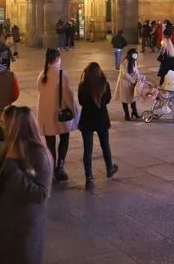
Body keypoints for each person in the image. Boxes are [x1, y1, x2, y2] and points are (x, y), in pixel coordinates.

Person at [0, 106, 53, 264]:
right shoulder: (5, 148)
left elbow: (41, 194)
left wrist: (12, 170)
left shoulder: (39, 156)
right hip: (3, 222)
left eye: (4, 123)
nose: (0, 127)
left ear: (15, 128)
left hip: (24, 227)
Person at [37, 48, 78, 182]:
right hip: (59, 115)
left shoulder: (42, 75)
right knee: (64, 138)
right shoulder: (61, 74)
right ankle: (60, 166)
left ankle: (52, 168)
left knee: (50, 143)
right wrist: (74, 112)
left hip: (45, 114)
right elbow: (68, 95)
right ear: (57, 59)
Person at [78, 62, 119, 191]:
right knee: (105, 145)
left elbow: (81, 101)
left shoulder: (83, 85)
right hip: (101, 118)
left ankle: (89, 178)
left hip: (87, 120)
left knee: (87, 150)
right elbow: (108, 100)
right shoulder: (104, 84)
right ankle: (109, 168)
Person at [114, 48, 141, 120]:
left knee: (133, 97)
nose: (136, 55)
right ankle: (126, 114)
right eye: (134, 54)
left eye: (136, 54)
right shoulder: (125, 61)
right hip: (124, 82)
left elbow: (136, 71)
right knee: (125, 98)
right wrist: (133, 81)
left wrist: (139, 78)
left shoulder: (134, 61)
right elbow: (124, 74)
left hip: (132, 82)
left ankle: (134, 112)